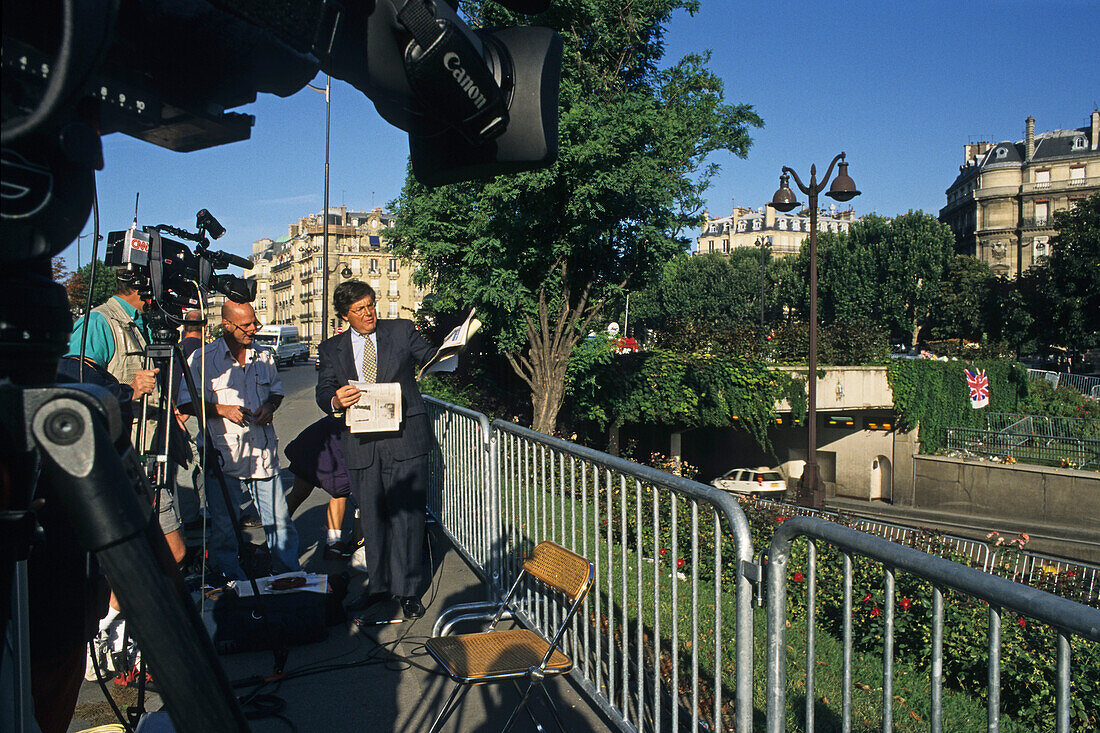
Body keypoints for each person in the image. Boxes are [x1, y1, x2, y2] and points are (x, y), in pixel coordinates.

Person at [66, 276, 187, 667]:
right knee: (150, 552)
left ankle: (120, 627)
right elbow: (74, 382)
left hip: (156, 449)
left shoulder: (151, 321)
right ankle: (104, 634)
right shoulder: (100, 322)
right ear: (147, 285)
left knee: (167, 552)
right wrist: (127, 390)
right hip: (123, 459)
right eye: (172, 286)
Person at [316, 280, 436, 619]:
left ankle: (409, 590)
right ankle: (379, 587)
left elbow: (431, 360)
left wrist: (450, 352)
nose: (369, 313)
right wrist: (334, 399)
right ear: (344, 315)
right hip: (361, 444)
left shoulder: (400, 331)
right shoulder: (331, 349)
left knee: (408, 517)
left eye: (371, 305)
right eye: (359, 309)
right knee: (372, 518)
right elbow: (323, 389)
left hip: (405, 439)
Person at [179, 300, 300, 580]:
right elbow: (185, 403)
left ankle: (288, 575)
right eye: (246, 325)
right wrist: (221, 409)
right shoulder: (202, 359)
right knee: (224, 525)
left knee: (279, 522)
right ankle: (231, 580)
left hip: (262, 452)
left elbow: (276, 392)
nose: (252, 330)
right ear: (226, 325)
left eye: (254, 323)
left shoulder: (264, 355)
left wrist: (270, 407)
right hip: (224, 455)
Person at [284, 415, 355, 560]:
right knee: (340, 490)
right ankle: (333, 543)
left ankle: (275, 532)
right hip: (332, 438)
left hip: (320, 438)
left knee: (300, 492)